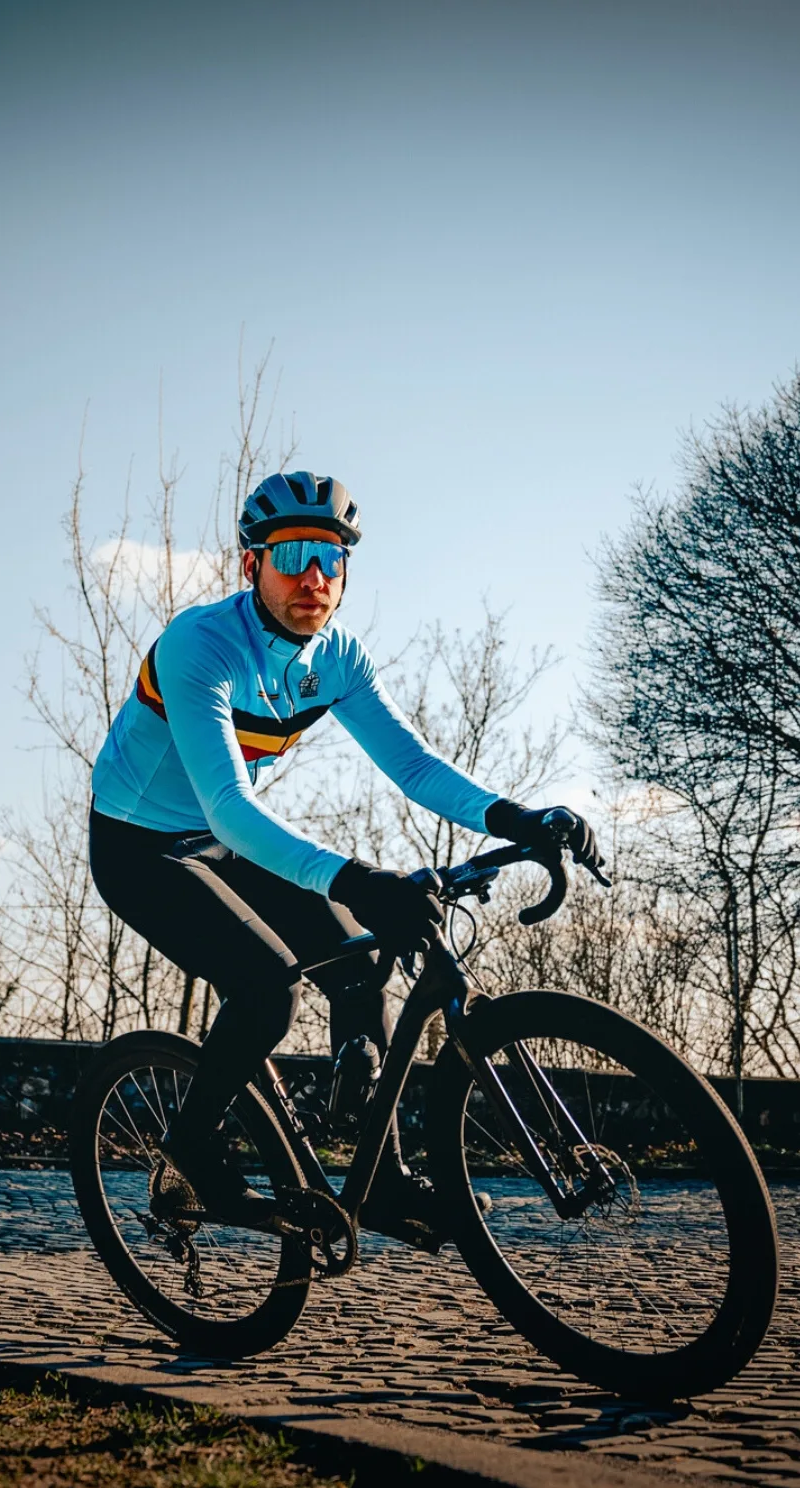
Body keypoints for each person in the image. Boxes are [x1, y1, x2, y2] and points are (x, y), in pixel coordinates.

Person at [89, 470, 603, 1245]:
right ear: (249, 564)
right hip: (139, 844)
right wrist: (358, 879)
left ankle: (386, 1184)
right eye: (293, 554)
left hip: (226, 841)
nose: (314, 577)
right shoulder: (200, 645)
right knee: (266, 990)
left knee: (362, 968)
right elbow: (230, 806)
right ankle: (189, 1150)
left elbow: (415, 767)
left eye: (332, 559)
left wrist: (517, 817)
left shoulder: (337, 657)